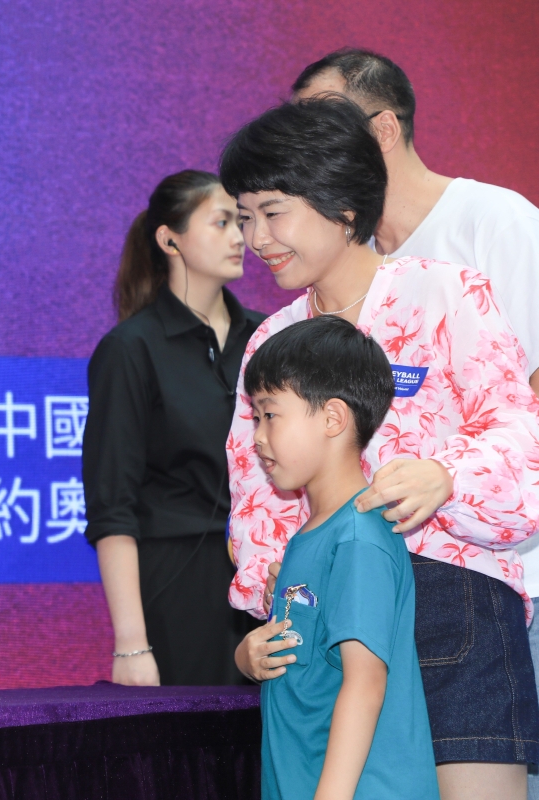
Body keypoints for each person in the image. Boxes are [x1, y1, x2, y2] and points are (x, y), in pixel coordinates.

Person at [222, 98, 539, 799]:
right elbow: (253, 486)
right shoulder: (270, 340)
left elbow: (523, 439)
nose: (256, 237)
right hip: (327, 612)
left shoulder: (446, 293)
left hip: (450, 599)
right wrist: (277, 587)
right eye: (243, 217)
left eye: (272, 212)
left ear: (342, 205)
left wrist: (446, 476)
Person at [242, 316, 438, 800]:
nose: (258, 436)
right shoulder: (312, 536)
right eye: (255, 418)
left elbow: (365, 683)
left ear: (333, 418)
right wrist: (249, 658)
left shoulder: (357, 536)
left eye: (270, 414)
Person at [83, 170, 265, 686]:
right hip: (178, 583)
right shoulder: (130, 349)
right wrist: (131, 644)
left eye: (242, 222)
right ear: (169, 240)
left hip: (268, 577)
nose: (240, 237)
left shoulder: (267, 337)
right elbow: (112, 506)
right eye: (222, 222)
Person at [292, 49, 539, 397]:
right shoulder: (351, 253)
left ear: (384, 130)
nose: (304, 151)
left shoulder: (496, 221)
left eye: (322, 130)